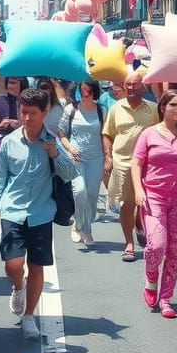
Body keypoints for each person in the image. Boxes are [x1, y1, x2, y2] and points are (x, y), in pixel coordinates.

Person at [0, 86, 78, 340]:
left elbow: (71, 174)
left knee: (37, 266)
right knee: (13, 264)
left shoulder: (52, 141)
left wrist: (56, 154)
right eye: (24, 112)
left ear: (45, 112)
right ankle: (18, 286)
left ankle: (29, 316)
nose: (27, 118)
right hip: (12, 211)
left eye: (33, 113)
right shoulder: (9, 142)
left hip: (41, 213)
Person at [132, 89, 177, 318]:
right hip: (154, 197)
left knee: (173, 250)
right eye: (174, 105)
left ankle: (166, 299)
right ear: (163, 107)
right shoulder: (149, 134)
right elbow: (136, 164)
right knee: (156, 245)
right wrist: (138, 190)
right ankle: (151, 275)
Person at [102, 71, 157, 262]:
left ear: (143, 86)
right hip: (124, 163)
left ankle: (140, 225)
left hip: (148, 165)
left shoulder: (153, 109)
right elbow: (107, 134)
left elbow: (162, 132)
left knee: (146, 203)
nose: (131, 88)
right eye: (128, 85)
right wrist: (108, 156)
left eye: (135, 84)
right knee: (127, 204)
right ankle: (129, 243)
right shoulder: (116, 108)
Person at [58, 81, 107, 246]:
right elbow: (62, 133)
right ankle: (80, 226)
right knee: (80, 192)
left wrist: (108, 156)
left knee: (92, 196)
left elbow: (105, 136)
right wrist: (70, 148)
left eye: (89, 89)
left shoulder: (101, 111)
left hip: (96, 158)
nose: (86, 92)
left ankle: (86, 226)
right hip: (76, 158)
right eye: (83, 89)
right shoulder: (71, 109)